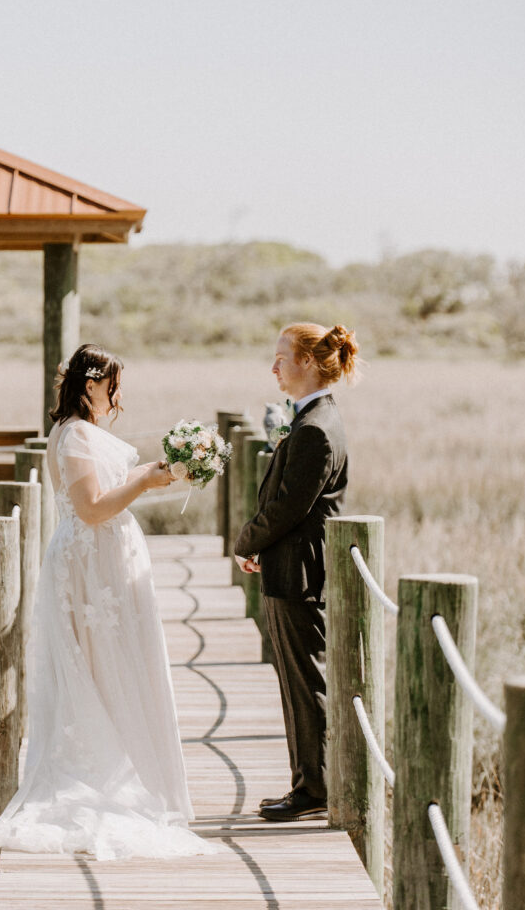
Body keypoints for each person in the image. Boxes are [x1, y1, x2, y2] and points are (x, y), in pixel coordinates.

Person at [0, 344, 213, 859]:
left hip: (103, 563)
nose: (118, 395)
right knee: (96, 665)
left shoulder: (81, 433)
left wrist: (155, 474)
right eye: (113, 384)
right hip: (90, 566)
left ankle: (128, 762)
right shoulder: (73, 435)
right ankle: (100, 773)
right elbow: (90, 509)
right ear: (91, 385)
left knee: (118, 667)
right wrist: (144, 479)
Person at [234, 323, 359, 822]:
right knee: (296, 679)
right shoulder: (312, 419)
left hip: (300, 573)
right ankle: (307, 782)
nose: (274, 367)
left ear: (307, 361)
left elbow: (288, 508)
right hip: (291, 565)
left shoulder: (314, 429)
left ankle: (315, 789)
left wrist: (246, 540)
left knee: (306, 682)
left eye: (282, 357)